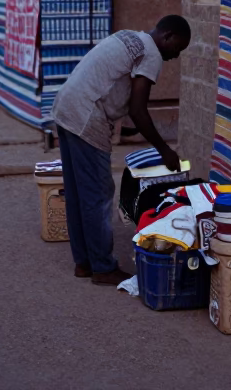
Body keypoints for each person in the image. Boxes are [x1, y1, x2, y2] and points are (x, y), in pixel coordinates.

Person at [51, 15, 191, 286]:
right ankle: (102, 266)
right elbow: (138, 109)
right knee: (99, 194)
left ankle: (84, 263)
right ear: (168, 36)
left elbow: (116, 90)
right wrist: (165, 151)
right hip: (86, 116)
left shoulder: (129, 36)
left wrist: (123, 128)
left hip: (66, 106)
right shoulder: (152, 55)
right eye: (178, 48)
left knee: (79, 193)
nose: (176, 56)